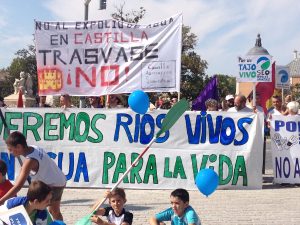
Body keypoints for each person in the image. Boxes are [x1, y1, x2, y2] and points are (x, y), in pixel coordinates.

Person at [0, 131, 66, 221]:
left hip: (54, 184)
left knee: (35, 207)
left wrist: (2, 200)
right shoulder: (34, 148)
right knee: (54, 211)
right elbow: (24, 170)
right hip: (59, 180)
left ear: (19, 147)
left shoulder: (30, 160)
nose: (10, 152)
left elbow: (18, 186)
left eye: (10, 149)